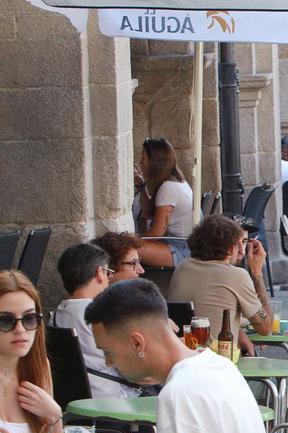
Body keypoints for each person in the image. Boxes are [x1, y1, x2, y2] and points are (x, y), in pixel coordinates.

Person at [83, 279, 275, 433]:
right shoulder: (219, 366)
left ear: (137, 343)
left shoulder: (181, 393)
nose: (108, 363)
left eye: (108, 352)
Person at [167, 215, 273, 357]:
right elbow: (266, 328)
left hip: (181, 359)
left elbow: (206, 311)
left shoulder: (182, 267)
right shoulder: (237, 276)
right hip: (217, 363)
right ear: (230, 248)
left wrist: (239, 332)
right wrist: (257, 273)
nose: (241, 249)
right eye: (238, 243)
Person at [54, 244, 141, 399]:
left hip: (78, 402)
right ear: (99, 273)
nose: (109, 279)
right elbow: (135, 368)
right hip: (115, 402)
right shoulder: (101, 315)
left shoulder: (58, 313)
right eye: (108, 273)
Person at [0, 270, 64, 433]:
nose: (20, 330)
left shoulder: (39, 366)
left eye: (29, 319)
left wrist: (55, 418)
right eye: (5, 321)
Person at [138, 138, 193, 268]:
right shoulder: (176, 182)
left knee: (126, 250)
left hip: (181, 249)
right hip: (181, 245)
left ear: (154, 162)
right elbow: (147, 212)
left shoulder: (168, 188)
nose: (140, 162)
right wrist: (142, 186)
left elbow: (156, 233)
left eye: (143, 158)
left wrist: (133, 238)